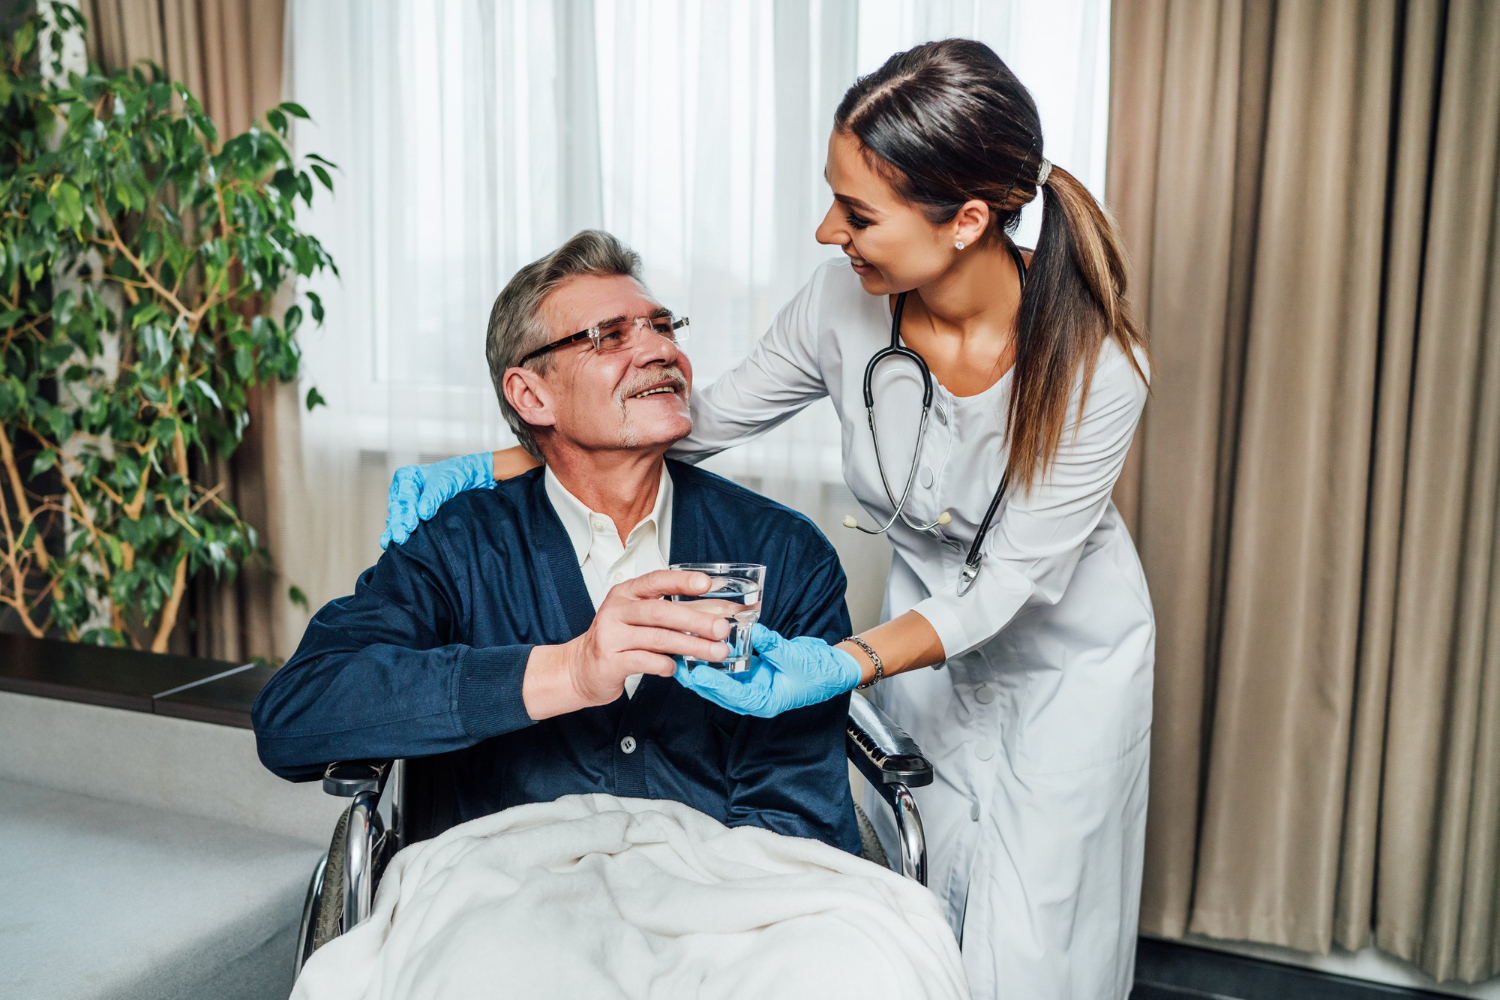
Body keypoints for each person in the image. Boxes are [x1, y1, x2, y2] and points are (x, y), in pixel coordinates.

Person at [383, 40, 1153, 1000]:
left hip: (1060, 648)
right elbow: (692, 421)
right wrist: (504, 459)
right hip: (918, 629)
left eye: (859, 211)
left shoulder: (1098, 365)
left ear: (964, 220)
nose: (830, 231)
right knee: (927, 909)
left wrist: (845, 660)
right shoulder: (845, 302)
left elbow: (1009, 586)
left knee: (1044, 937)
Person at [253, 230, 860, 855]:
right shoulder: (457, 544)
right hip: (506, 908)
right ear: (531, 395)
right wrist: (568, 672)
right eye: (611, 336)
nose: (658, 350)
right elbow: (296, 716)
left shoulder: (785, 552)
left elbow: (795, 816)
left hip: (721, 908)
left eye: (661, 326)